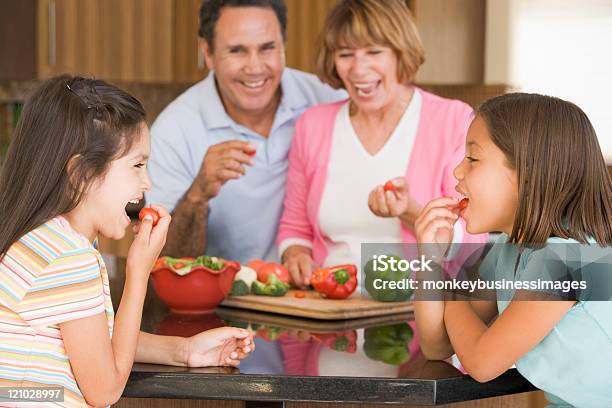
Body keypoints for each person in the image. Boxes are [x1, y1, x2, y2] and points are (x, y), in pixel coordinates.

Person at [0, 76, 254, 407]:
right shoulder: (70, 259)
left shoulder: (43, 242)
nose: (146, 182)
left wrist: (185, 350)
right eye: (137, 165)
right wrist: (139, 272)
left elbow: (96, 342)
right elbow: (105, 389)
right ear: (81, 174)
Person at [414, 93, 612, 407]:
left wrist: (450, 296)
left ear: (528, 172)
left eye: (473, 159)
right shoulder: (511, 251)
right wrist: (429, 259)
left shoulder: (566, 262)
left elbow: (481, 362)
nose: (457, 173)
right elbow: (438, 345)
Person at [277, 0, 487, 288]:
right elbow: (295, 227)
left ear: (401, 53)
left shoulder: (452, 120)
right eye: (345, 54)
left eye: (374, 51)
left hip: (417, 311)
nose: (358, 69)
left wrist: (409, 210)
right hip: (330, 309)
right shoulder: (312, 125)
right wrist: (295, 254)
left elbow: (474, 241)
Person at [146, 0, 346, 263]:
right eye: (237, 50)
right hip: (225, 300)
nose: (254, 67)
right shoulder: (174, 130)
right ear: (208, 53)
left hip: (321, 294)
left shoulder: (326, 100)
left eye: (267, 48)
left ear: (283, 46)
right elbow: (166, 262)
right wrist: (198, 195)